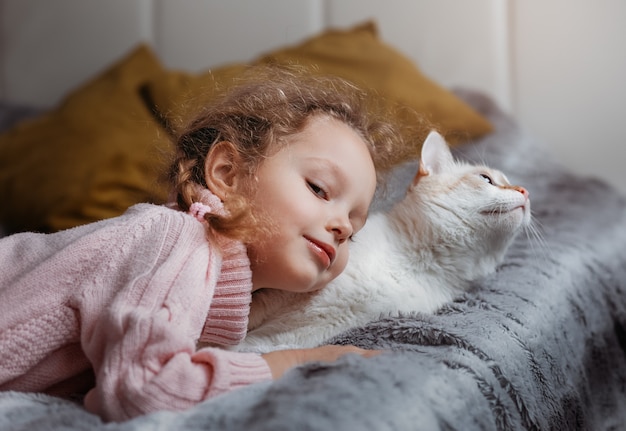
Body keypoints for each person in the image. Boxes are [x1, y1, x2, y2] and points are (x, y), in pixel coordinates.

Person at [0, 65, 403, 421]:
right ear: (227, 174)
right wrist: (297, 361)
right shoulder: (178, 241)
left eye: (355, 226)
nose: (341, 228)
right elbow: (144, 391)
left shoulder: (213, 273)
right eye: (319, 188)